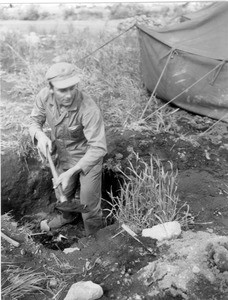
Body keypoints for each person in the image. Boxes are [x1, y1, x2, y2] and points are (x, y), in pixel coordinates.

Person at [29, 62, 107, 236]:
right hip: (63, 154)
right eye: (62, 90)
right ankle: (67, 217)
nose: (69, 94)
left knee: (88, 203)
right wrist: (40, 135)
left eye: (72, 88)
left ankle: (94, 238)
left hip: (88, 157)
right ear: (51, 88)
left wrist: (72, 171)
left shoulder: (88, 108)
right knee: (63, 192)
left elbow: (99, 147)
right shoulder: (43, 97)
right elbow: (34, 122)